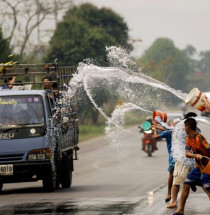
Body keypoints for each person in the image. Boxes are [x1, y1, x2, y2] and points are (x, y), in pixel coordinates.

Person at [173, 118, 210, 215]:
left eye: (185, 126)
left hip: (208, 167)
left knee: (207, 187)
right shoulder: (188, 138)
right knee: (186, 184)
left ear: (188, 127)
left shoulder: (200, 138)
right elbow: (187, 153)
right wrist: (196, 155)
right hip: (199, 166)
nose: (184, 128)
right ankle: (180, 210)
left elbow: (209, 149)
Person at [167, 112, 197, 209]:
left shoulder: (181, 128)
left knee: (179, 182)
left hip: (188, 158)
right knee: (178, 181)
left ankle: (175, 202)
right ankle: (175, 201)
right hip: (184, 159)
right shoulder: (186, 130)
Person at [152, 120, 175, 203]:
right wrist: (156, 126)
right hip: (183, 155)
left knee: (171, 175)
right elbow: (165, 128)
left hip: (173, 156)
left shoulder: (168, 133)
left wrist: (155, 129)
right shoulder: (182, 131)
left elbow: (154, 137)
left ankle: (169, 193)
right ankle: (192, 183)